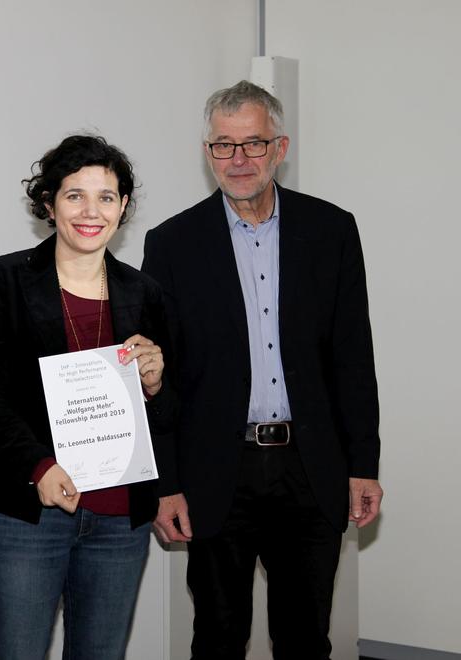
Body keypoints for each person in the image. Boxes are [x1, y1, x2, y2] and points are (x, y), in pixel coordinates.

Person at [142, 80, 383, 659]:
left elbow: (353, 357)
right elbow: (160, 380)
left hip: (311, 467)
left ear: (281, 148)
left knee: (305, 639)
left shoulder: (332, 231)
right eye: (224, 145)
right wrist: (166, 484)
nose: (239, 159)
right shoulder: (171, 243)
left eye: (254, 143)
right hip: (216, 472)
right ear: (208, 153)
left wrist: (363, 464)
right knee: (218, 638)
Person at [0, 135, 176, 660]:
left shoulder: (143, 292)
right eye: (74, 195)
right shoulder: (6, 278)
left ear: (123, 207)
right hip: (25, 512)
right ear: (49, 202)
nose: (90, 211)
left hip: (119, 519)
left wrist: (154, 382)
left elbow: (166, 411)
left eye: (106, 197)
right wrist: (39, 467)